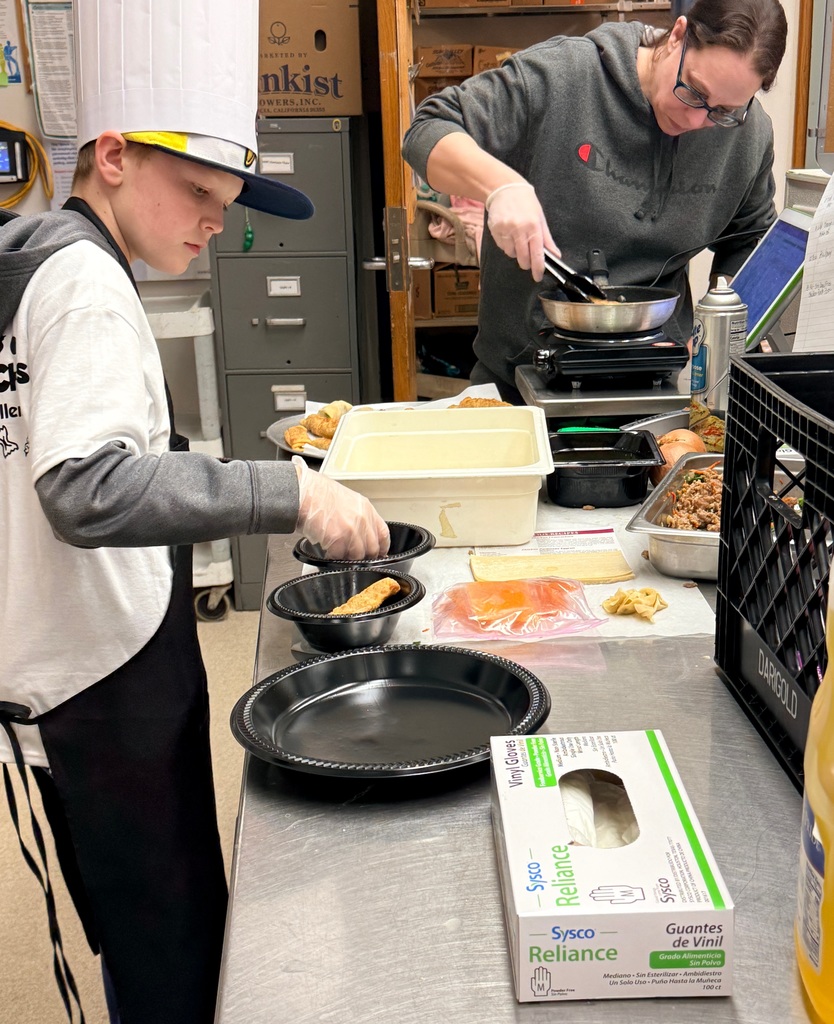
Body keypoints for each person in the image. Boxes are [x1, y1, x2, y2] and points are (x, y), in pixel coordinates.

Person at [0, 3, 388, 1023]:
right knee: (171, 954)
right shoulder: (85, 281)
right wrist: (287, 490)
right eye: (201, 193)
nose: (219, 222)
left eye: (227, 202)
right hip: (101, 687)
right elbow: (82, 484)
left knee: (152, 928)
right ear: (115, 154)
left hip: (85, 666)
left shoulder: (46, 257)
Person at [402, 0, 788, 403]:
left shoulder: (749, 135)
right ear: (677, 36)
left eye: (722, 112)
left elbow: (751, 238)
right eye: (693, 91)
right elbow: (429, 128)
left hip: (656, 388)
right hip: (520, 381)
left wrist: (720, 327)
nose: (696, 121)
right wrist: (500, 186)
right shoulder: (562, 75)